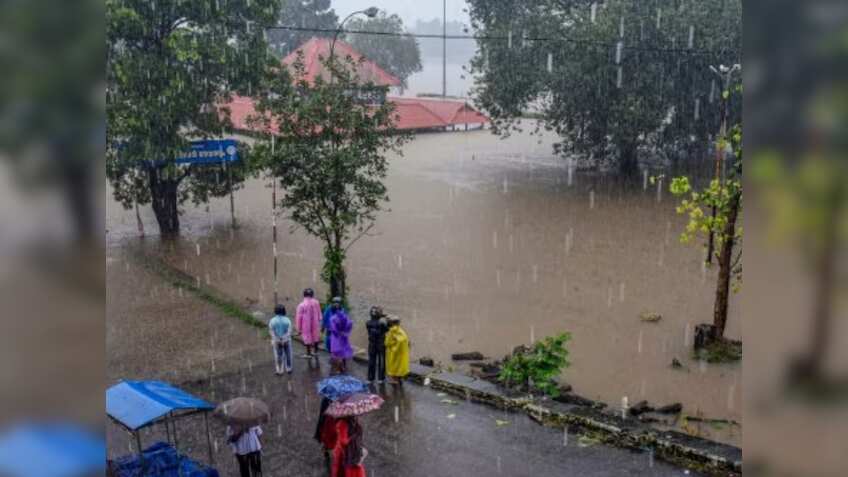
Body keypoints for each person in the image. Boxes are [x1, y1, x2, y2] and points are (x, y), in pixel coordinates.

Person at [296, 288, 322, 359]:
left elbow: (299, 317)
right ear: (312, 295)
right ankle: (316, 352)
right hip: (315, 322)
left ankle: (308, 353)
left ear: (304, 295)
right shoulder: (316, 302)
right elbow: (319, 313)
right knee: (316, 335)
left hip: (305, 324)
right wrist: (319, 320)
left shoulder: (301, 305)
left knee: (307, 337)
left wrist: (299, 328)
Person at [329, 299, 354, 370]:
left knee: (336, 352)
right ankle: (344, 365)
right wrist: (346, 332)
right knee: (344, 350)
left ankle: (339, 368)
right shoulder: (345, 316)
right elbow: (350, 323)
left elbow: (333, 329)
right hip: (343, 336)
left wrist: (337, 333)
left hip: (336, 337)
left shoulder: (332, 318)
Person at [365, 306, 388, 383]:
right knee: (381, 360)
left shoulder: (368, 323)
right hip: (381, 344)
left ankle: (370, 378)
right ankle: (381, 378)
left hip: (371, 343)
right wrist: (384, 317)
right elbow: (387, 329)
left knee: (371, 360)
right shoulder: (382, 323)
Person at [269, 304, 292, 375]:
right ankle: (288, 368)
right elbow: (289, 331)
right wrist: (284, 338)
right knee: (288, 354)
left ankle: (279, 369)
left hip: (276, 341)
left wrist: (277, 339)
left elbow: (271, 331)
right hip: (286, 341)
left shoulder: (272, 320)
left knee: (278, 355)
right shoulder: (287, 320)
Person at [385, 317, 410, 384]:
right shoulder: (401, 331)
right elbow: (405, 340)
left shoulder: (391, 332)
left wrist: (392, 347)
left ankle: (394, 380)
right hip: (401, 352)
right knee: (399, 366)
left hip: (394, 352)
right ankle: (399, 378)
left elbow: (387, 342)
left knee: (393, 366)